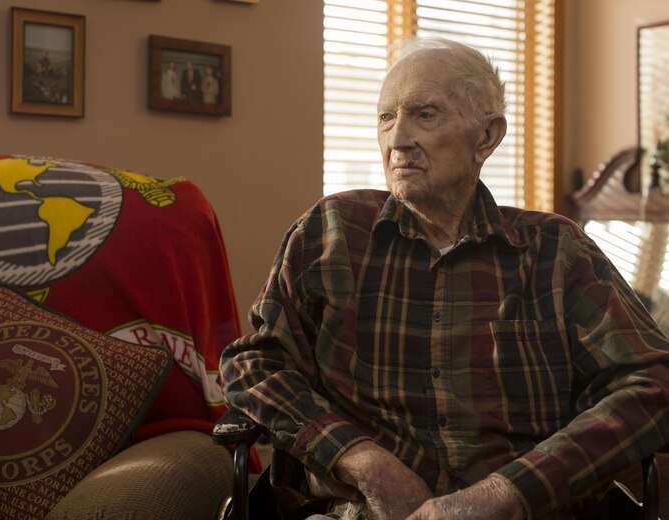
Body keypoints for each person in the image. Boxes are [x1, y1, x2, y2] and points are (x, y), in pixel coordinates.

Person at [219, 37, 669, 520]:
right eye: (386, 117)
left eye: (424, 115)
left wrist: (509, 492)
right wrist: (362, 460)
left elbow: (653, 380)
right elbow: (254, 365)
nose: (397, 140)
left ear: (487, 136)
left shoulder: (556, 251)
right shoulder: (330, 232)